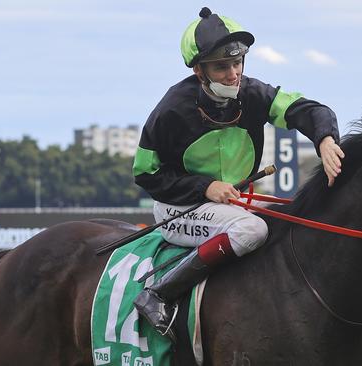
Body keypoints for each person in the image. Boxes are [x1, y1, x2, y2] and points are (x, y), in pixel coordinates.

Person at [131, 7, 345, 339]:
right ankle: (158, 293)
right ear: (199, 71)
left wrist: (325, 138)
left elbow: (306, 109)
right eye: (221, 67)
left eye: (238, 63)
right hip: (177, 208)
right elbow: (146, 174)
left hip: (231, 206)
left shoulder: (254, 94)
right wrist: (205, 187)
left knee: (282, 224)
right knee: (253, 230)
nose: (234, 74)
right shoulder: (171, 109)